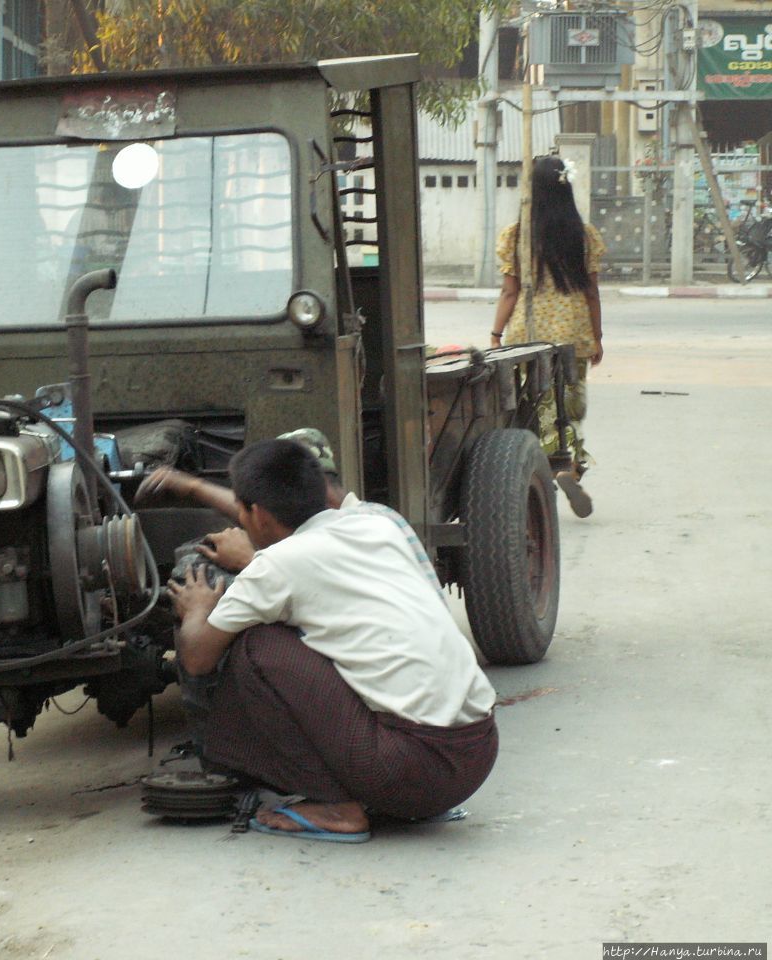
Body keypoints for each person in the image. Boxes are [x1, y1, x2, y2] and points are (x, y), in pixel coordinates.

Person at [166, 439, 498, 842]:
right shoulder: (376, 525)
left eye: (240, 508)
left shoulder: (275, 566)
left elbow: (198, 658)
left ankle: (337, 808)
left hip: (413, 772)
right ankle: (387, 798)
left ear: (255, 514)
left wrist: (198, 608)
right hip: (477, 753)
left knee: (258, 648)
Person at [492, 154, 606, 518]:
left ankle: (546, 468)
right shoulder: (584, 235)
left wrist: (496, 333)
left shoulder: (518, 237)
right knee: (570, 404)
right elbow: (591, 292)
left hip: (531, 332)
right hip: (573, 331)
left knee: (537, 404)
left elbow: (510, 292)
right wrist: (598, 335)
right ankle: (571, 466)